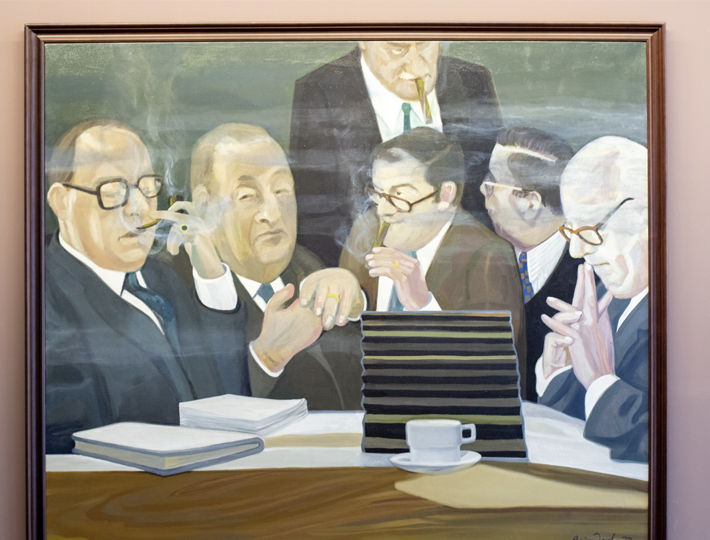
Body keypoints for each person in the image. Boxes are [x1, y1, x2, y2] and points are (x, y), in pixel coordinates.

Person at [44, 120, 320, 453]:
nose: (139, 209)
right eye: (113, 191)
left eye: (147, 187)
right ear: (61, 202)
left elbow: (218, 394)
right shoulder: (41, 302)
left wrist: (212, 274)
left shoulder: (163, 279)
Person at [162, 123, 365, 410]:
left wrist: (356, 300)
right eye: (246, 196)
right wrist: (267, 357)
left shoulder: (306, 266)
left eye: (281, 190)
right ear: (205, 206)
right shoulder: (173, 289)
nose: (272, 213)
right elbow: (195, 407)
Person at [339, 127, 526, 385]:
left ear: (445, 195)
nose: (383, 211)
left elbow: (491, 365)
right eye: (379, 194)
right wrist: (346, 297)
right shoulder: (367, 228)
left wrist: (424, 305)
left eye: (399, 196)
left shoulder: (488, 255)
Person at [290, 41, 503, 266]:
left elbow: (487, 194)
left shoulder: (473, 81)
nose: (417, 68)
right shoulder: (319, 91)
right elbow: (315, 219)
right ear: (363, 40)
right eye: (397, 49)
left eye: (424, 44)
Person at [538, 136, 650, 462]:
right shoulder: (606, 296)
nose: (576, 251)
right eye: (571, 231)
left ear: (646, 217)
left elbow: (676, 442)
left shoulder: (701, 309)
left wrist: (599, 378)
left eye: (590, 229)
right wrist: (562, 372)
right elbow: (579, 424)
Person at [481, 127, 581, 402]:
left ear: (530, 203)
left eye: (492, 186)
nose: (482, 191)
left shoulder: (592, 272)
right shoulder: (480, 255)